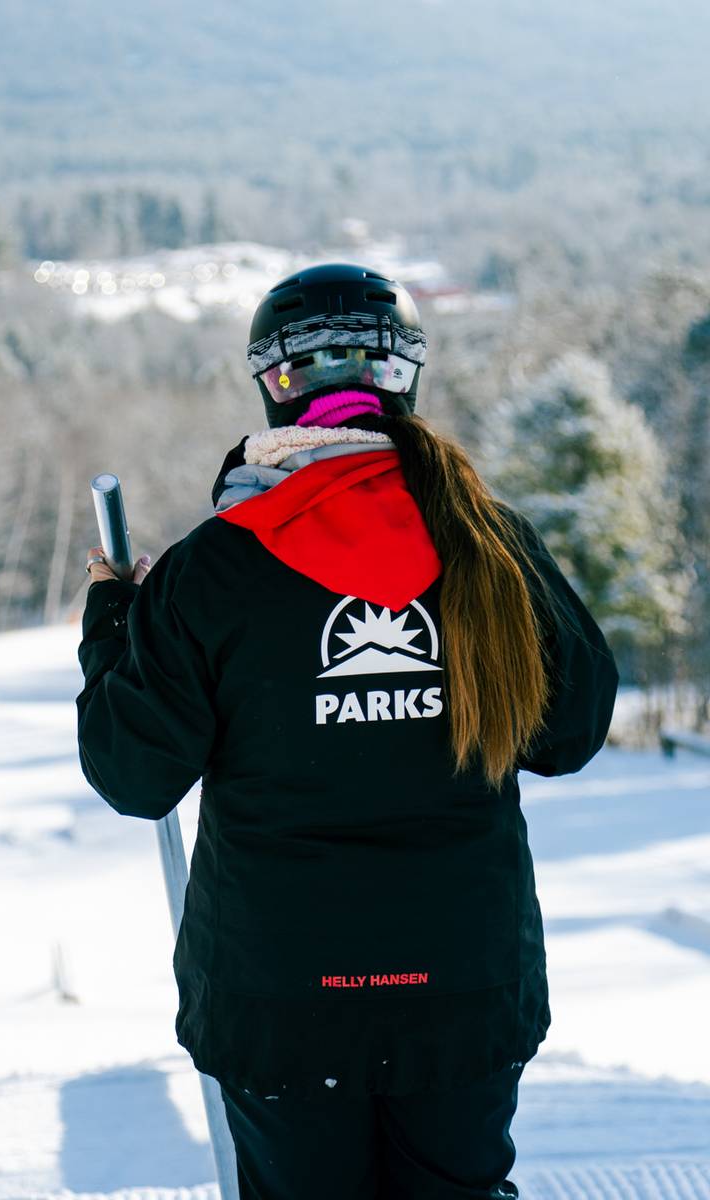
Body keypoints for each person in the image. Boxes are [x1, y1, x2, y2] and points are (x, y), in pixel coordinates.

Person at [76, 262, 619, 1199]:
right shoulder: (491, 543)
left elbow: (135, 775)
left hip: (280, 1000)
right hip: (461, 988)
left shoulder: (212, 571)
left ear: (275, 384)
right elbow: (568, 734)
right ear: (405, 373)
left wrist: (115, 625)